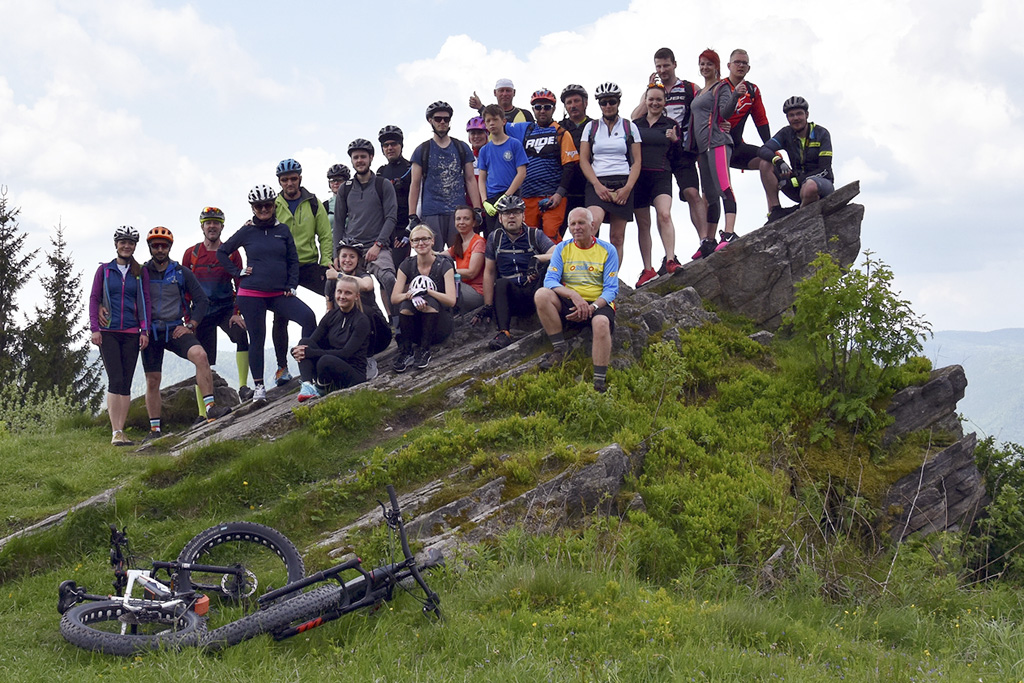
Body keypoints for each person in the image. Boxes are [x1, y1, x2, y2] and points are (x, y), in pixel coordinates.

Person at [218, 185, 317, 405]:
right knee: (257, 339)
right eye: (259, 206)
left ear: (273, 206)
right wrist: (238, 272)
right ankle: (259, 387)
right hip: (251, 294)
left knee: (308, 317)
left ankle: (308, 375)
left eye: (268, 205)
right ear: (253, 208)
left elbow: (292, 260)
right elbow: (222, 252)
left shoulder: (282, 230)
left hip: (278, 292)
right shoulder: (247, 230)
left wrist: (292, 285)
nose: (264, 209)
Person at [140, 227, 230, 441]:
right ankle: (155, 430)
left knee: (201, 355)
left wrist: (191, 325)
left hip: (175, 329)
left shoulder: (181, 272)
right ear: (151, 248)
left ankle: (210, 408)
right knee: (153, 380)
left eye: (164, 245)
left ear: (170, 247)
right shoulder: (141, 273)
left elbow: (201, 300)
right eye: (156, 245)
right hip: (151, 332)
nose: (160, 249)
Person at [631, 48, 706, 269]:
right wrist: (650, 89)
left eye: (666, 65)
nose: (663, 70)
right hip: (655, 151)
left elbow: (706, 107)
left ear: (675, 64)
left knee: (692, 192)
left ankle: (705, 240)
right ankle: (653, 264)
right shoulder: (652, 93)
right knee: (650, 214)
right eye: (659, 66)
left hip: (682, 149)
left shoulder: (690, 88)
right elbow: (635, 118)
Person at [535, 207, 619, 393]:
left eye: (581, 223)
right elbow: (550, 280)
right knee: (541, 295)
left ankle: (599, 381)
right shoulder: (563, 248)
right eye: (572, 224)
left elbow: (612, 289)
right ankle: (559, 350)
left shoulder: (607, 250)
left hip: (598, 303)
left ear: (593, 225)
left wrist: (593, 306)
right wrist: (573, 295)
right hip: (569, 301)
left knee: (601, 323)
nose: (576, 228)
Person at [181, 207, 253, 406]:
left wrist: (237, 312)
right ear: (202, 226)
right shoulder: (191, 254)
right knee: (202, 359)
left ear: (222, 226)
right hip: (201, 312)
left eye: (216, 222)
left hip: (225, 309)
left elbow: (240, 283)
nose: (212, 226)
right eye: (208, 222)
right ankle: (203, 412)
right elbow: (183, 290)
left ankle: (243, 387)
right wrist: (188, 320)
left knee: (241, 335)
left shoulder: (231, 253)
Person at [272, 158, 332, 386]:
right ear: (279, 181)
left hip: (308, 264)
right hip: (283, 268)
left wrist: (326, 263)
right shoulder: (274, 205)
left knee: (333, 295)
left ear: (300, 179)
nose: (289, 183)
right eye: (285, 179)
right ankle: (282, 368)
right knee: (280, 316)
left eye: (293, 178)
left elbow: (325, 235)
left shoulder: (313, 202)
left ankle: (330, 348)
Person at [89, 226, 151, 446]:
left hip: (132, 333)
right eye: (123, 242)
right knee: (115, 379)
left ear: (135, 246)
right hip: (108, 332)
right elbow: (94, 299)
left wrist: (145, 330)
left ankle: (121, 430)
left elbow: (145, 301)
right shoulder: (104, 271)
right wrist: (95, 328)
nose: (127, 246)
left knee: (126, 382)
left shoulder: (139, 271)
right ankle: (115, 432)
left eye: (131, 243)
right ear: (116, 245)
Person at [473, 195, 555, 350]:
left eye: (516, 212)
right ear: (500, 217)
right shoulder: (494, 238)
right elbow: (489, 272)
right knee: (502, 283)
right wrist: (487, 305)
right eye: (506, 213)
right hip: (512, 296)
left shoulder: (535, 234)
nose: (511, 216)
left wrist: (537, 259)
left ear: (523, 216)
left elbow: (559, 254)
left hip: (535, 291)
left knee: (549, 266)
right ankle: (504, 333)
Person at [332, 138, 399, 323]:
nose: (359, 160)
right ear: (351, 161)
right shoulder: (345, 189)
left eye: (363, 156)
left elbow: (391, 217)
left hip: (377, 246)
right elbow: (338, 223)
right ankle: (361, 326)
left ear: (371, 158)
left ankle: (399, 324)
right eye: (355, 157)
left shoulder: (383, 184)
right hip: (352, 248)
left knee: (388, 279)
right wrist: (336, 254)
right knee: (343, 288)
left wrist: (378, 245)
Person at [578, 82, 642, 268]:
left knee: (617, 237)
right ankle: (588, 270)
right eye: (603, 102)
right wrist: (597, 185)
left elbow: (637, 161)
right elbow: (584, 160)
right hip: (598, 180)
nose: (608, 106)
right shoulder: (591, 127)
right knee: (591, 224)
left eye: (611, 102)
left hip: (623, 180)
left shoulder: (629, 127)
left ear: (618, 102)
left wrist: (628, 188)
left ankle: (612, 279)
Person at [504, 88, 580, 243]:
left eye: (547, 107)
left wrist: (559, 194)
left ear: (554, 109)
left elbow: (570, 166)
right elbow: (498, 123)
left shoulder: (561, 133)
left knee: (551, 236)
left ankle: (555, 268)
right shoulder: (526, 129)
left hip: (552, 195)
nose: (542, 111)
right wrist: (480, 108)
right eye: (538, 107)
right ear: (533, 109)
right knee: (527, 238)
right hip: (527, 196)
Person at [407, 101, 481, 251]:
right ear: (430, 121)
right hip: (432, 212)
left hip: (457, 213)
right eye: (438, 119)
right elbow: (415, 184)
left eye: (446, 119)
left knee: (462, 255)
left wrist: (477, 208)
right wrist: (412, 215)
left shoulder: (461, 147)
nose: (442, 122)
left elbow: (470, 179)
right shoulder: (422, 150)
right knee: (434, 258)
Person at [690, 49, 743, 256]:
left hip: (718, 142)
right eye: (702, 64)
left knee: (724, 187)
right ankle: (709, 241)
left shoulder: (721, 87)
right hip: (702, 148)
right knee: (709, 195)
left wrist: (736, 95)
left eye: (709, 64)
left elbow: (725, 112)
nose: (705, 68)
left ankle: (729, 232)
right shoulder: (699, 92)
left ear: (717, 67)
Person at [390, 224, 458, 372]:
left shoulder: (444, 264)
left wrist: (426, 291)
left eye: (425, 239)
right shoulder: (407, 264)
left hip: (438, 325)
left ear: (432, 241)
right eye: (416, 240)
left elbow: (451, 300)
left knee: (429, 301)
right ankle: (407, 351)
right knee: (406, 304)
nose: (421, 243)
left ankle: (425, 350)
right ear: (412, 243)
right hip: (415, 327)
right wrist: (411, 295)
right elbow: (395, 298)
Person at [293, 275, 371, 402]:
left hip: (353, 373)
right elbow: (312, 342)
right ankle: (307, 386)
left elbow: (346, 353)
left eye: (348, 293)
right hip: (327, 368)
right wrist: (298, 350)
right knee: (304, 342)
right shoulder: (331, 316)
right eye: (339, 291)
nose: (342, 296)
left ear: (357, 296)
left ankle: (321, 387)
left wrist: (310, 353)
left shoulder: (362, 321)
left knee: (325, 360)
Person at [632, 83, 680, 286]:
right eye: (651, 99)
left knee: (665, 214)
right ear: (645, 101)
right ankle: (648, 268)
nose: (654, 102)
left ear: (664, 102)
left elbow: (678, 157)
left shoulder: (670, 124)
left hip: (661, 174)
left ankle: (670, 259)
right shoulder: (636, 124)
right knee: (644, 224)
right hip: (639, 177)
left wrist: (676, 141)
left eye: (659, 99)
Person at [758, 96, 835, 222]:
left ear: (807, 114)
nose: (796, 118)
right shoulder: (786, 133)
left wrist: (796, 181)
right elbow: (763, 150)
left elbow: (825, 169)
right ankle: (775, 211)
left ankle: (798, 216)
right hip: (796, 183)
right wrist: (778, 161)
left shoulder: (821, 133)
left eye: (799, 114)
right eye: (791, 115)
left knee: (809, 186)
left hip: (820, 183)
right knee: (765, 163)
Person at [324, 240, 393, 378]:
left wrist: (338, 275)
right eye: (344, 256)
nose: (347, 260)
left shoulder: (362, 274)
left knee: (364, 313)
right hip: (348, 334)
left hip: (377, 333)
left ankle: (367, 358)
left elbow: (367, 285)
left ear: (358, 259)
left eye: (352, 256)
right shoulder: (331, 282)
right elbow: (329, 310)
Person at [477, 104, 528, 237]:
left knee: (510, 234)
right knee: (492, 237)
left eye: (494, 119)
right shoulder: (484, 150)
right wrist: (484, 201)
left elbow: (521, 173)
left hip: (511, 196)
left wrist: (506, 195)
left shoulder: (514, 144)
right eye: (488, 121)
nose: (491, 123)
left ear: (503, 121)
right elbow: (482, 178)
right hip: (491, 199)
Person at [722, 49, 771, 174]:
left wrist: (770, 147)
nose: (741, 66)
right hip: (717, 145)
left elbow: (761, 120)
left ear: (748, 68)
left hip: (737, 147)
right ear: (729, 66)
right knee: (715, 187)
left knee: (773, 160)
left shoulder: (752, 90)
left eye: (744, 63)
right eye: (737, 62)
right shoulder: (719, 87)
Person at [558, 84, 592, 235]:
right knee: (556, 234)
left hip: (588, 188)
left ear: (585, 102)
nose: (572, 106)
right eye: (569, 103)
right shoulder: (558, 128)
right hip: (563, 189)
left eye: (576, 101)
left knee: (588, 234)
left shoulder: (595, 125)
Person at [377, 125, 413, 266]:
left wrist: (408, 231)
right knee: (384, 275)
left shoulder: (410, 168)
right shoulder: (380, 172)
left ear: (401, 145)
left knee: (401, 271)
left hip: (403, 229)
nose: (390, 148)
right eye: (386, 145)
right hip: (384, 231)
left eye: (393, 144)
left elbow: (418, 200)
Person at [447, 205, 486, 312]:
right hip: (462, 288)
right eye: (458, 219)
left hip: (477, 292)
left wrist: (448, 272)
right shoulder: (459, 242)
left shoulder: (479, 242)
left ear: (474, 222)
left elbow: (471, 273)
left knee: (441, 285)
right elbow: (438, 255)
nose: (461, 222)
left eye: (466, 218)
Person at [468, 78, 535, 123]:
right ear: (495, 93)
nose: (505, 94)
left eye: (508, 91)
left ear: (514, 92)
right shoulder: (487, 116)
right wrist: (479, 107)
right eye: (501, 91)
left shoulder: (525, 115)